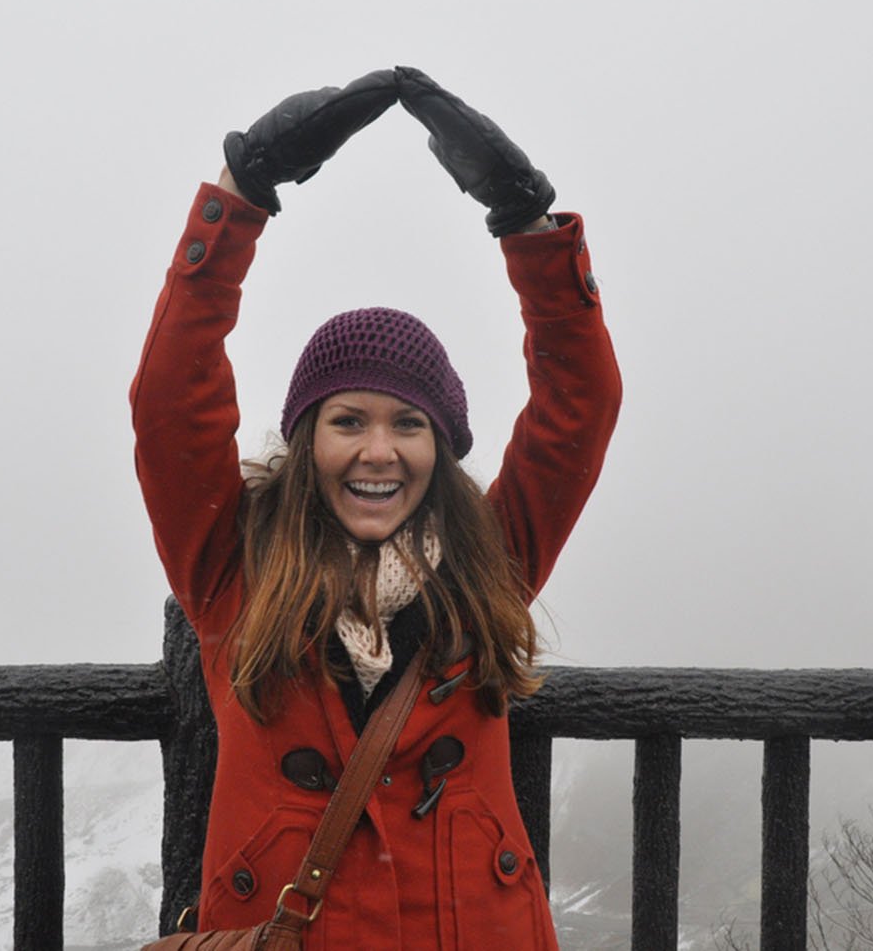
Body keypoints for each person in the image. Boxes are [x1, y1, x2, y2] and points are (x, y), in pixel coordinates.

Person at [131, 66, 621, 948]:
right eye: (347, 421)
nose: (378, 451)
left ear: (442, 450)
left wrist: (527, 224)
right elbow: (171, 398)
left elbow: (578, 406)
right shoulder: (231, 570)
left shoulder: (490, 562)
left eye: (410, 425)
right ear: (306, 441)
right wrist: (242, 191)